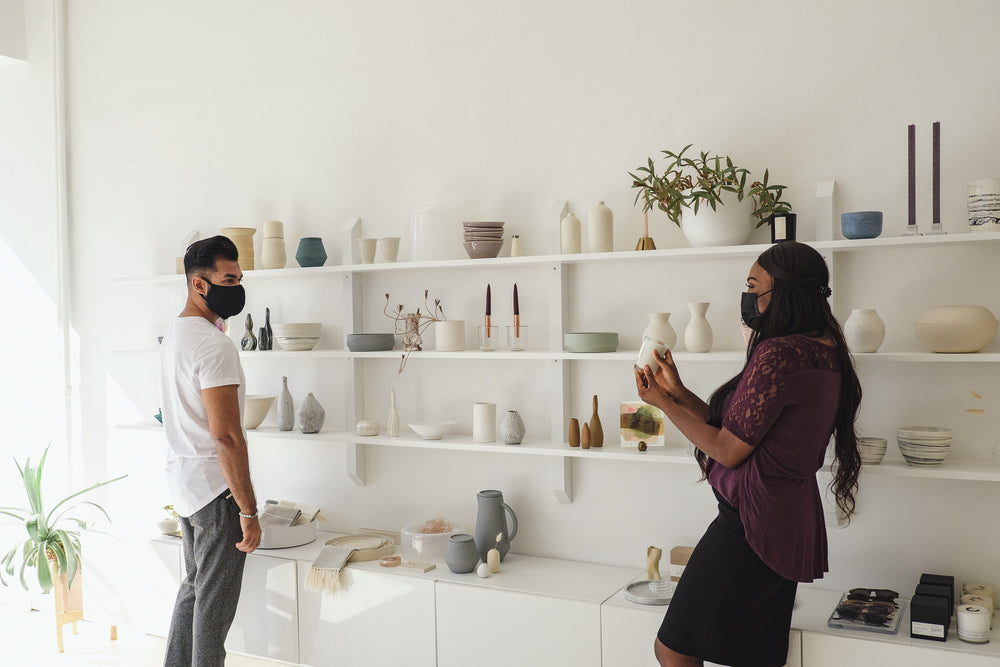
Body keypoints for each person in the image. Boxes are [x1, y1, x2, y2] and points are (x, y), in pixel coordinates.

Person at [634, 241, 862, 667]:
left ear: (786, 292)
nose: (748, 296)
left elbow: (727, 449)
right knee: (753, 655)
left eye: (754, 286)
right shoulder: (825, 347)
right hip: (787, 519)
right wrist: (677, 392)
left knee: (673, 648)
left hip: (752, 524)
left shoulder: (780, 353)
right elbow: (740, 430)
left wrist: (659, 403)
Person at [159, 235, 261, 667]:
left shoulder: (176, 335)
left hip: (184, 485)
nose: (236, 288)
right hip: (215, 493)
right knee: (213, 610)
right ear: (199, 285)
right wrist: (249, 510)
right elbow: (227, 437)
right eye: (228, 279)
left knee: (195, 589)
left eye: (239, 279)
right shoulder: (213, 345)